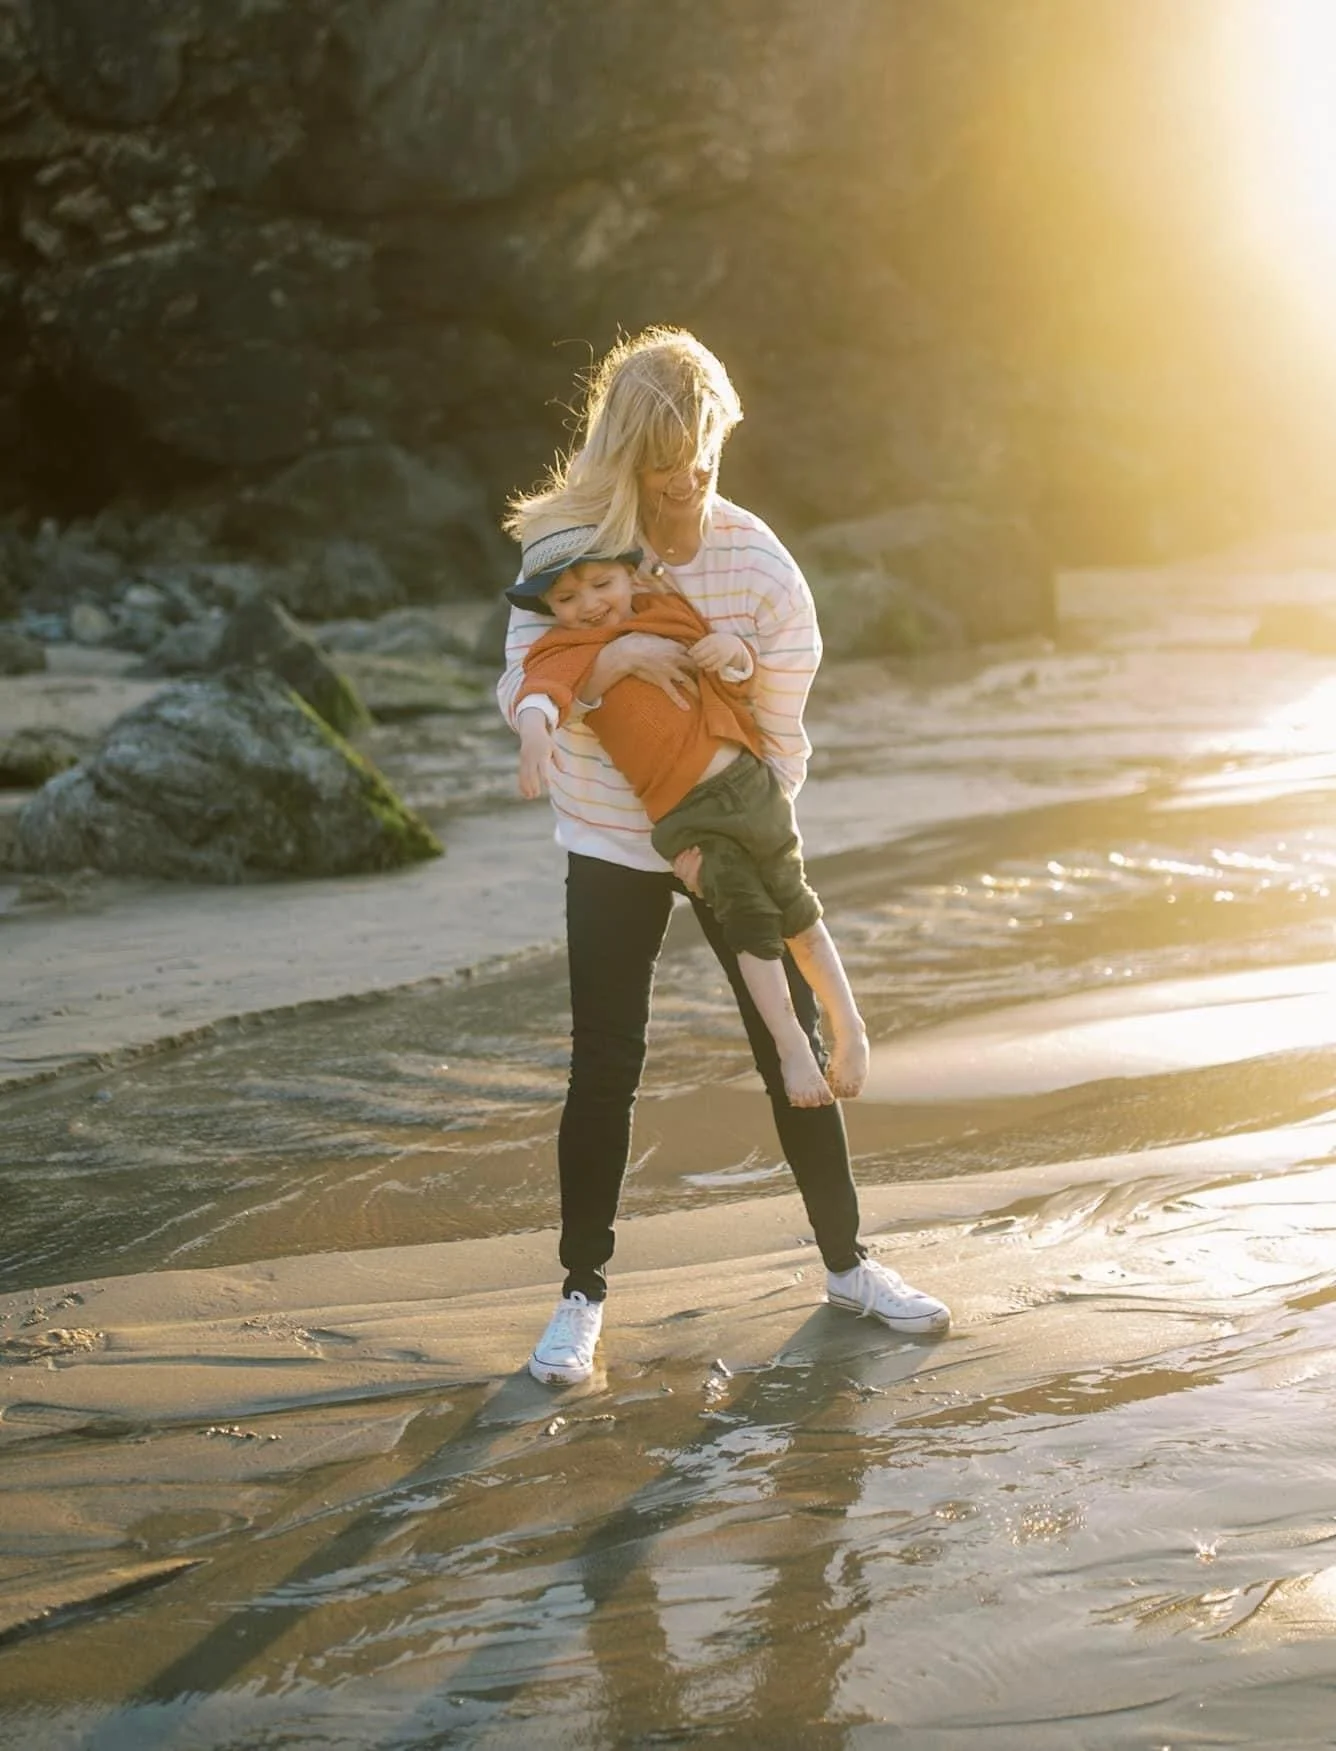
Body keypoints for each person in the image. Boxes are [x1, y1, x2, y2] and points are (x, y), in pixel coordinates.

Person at [497, 326, 950, 1386]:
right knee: (605, 1055)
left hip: (726, 817)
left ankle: (848, 1265)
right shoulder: (568, 542)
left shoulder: (758, 566)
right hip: (610, 830)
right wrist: (613, 654)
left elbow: (781, 738)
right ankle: (580, 1295)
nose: (678, 502)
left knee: (779, 1028)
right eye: (657, 483)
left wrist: (730, 848)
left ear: (715, 447)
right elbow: (525, 681)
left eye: (694, 475)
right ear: (622, 460)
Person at [508, 517, 868, 1111]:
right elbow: (539, 695)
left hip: (751, 786)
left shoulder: (668, 613)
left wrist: (737, 655)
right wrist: (532, 738)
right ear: (549, 607)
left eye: (601, 585)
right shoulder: (564, 650)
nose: (589, 605)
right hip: (690, 817)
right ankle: (793, 1047)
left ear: (630, 574)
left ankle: (850, 1025)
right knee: (751, 924)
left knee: (799, 910)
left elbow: (734, 672)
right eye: (566, 598)